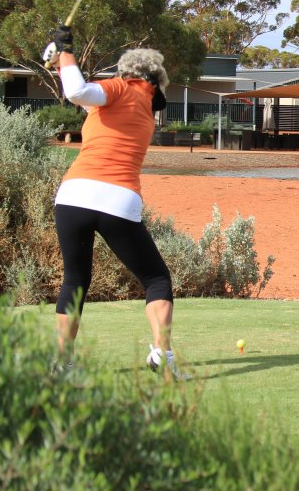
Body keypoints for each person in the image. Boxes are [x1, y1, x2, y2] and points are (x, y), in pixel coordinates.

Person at [43, 25, 189, 380]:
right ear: (154, 81)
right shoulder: (140, 101)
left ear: (128, 73)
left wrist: (64, 51)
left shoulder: (118, 90)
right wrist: (60, 56)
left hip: (73, 194)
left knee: (75, 281)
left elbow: (78, 90)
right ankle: (161, 356)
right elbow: (81, 89)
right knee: (155, 278)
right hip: (118, 199)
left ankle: (62, 366)